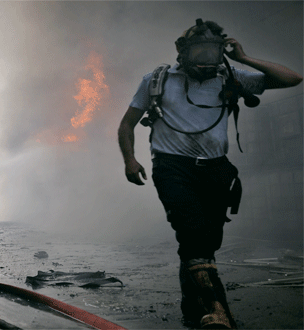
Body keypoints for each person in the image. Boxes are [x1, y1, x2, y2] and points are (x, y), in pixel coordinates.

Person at [118, 19, 302, 329]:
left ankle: (194, 310)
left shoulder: (230, 77)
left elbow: (293, 78)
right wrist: (130, 160)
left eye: (213, 53)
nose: (206, 61)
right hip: (173, 168)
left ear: (221, 53)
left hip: (216, 170)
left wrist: (242, 58)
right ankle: (218, 313)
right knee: (194, 239)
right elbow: (127, 124)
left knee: (206, 244)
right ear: (184, 53)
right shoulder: (157, 81)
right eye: (199, 52)